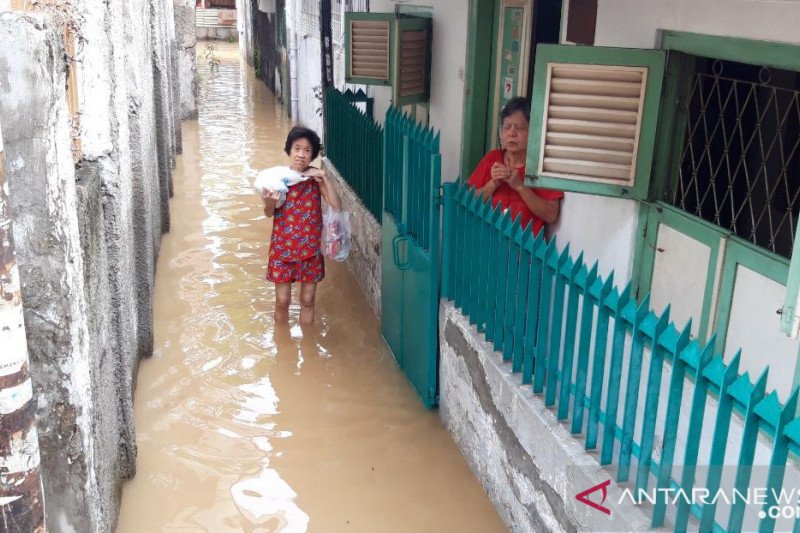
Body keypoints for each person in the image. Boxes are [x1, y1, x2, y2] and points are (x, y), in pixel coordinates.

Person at [261, 126, 342, 325]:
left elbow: (336, 206)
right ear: (289, 150)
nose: (301, 154)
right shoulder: (278, 179)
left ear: (313, 155)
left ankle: (308, 347)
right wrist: (269, 200)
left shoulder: (315, 179)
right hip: (283, 249)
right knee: (282, 301)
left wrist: (324, 178)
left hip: (310, 249)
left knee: (308, 301)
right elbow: (269, 212)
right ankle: (282, 349)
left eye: (307, 150)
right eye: (297, 148)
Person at [468, 97, 563, 236]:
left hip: (523, 251)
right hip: (488, 244)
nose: (511, 133)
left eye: (519, 128)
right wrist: (492, 184)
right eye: (507, 127)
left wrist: (521, 187)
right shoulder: (492, 158)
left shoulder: (541, 167)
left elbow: (551, 215)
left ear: (533, 132)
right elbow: (467, 200)